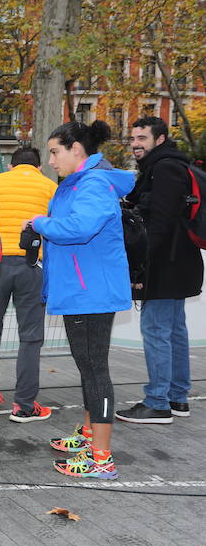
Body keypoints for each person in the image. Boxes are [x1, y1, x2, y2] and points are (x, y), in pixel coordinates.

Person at [27, 120, 133, 480]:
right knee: (90, 369)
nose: (50, 161)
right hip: (82, 291)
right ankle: (90, 437)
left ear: (77, 150)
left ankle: (102, 459)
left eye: (55, 152)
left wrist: (40, 223)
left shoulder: (93, 185)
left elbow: (78, 229)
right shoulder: (76, 184)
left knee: (95, 371)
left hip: (91, 293)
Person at [116, 116, 203, 423]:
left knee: (156, 330)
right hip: (179, 262)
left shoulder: (164, 169)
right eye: (133, 138)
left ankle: (157, 402)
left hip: (166, 264)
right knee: (174, 331)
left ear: (160, 139)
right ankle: (177, 398)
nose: (136, 144)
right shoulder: (169, 166)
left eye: (142, 138)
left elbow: (160, 223)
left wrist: (139, 264)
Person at [0, 147, 57, 421]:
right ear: (39, 167)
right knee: (30, 337)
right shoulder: (49, 187)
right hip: (33, 265)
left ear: (11, 166)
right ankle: (24, 404)